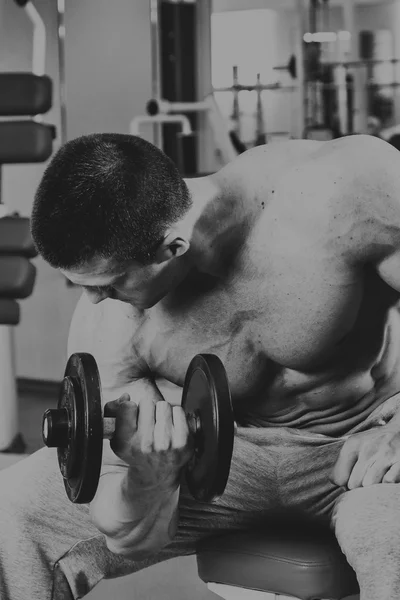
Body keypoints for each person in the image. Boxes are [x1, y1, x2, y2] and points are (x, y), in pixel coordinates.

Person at [1, 132, 400, 600]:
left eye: (107, 285)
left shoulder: (347, 188)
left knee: (382, 529)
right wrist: (150, 477)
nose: (92, 301)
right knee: (15, 506)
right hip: (230, 459)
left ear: (173, 247)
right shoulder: (109, 323)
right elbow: (134, 532)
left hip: (362, 446)